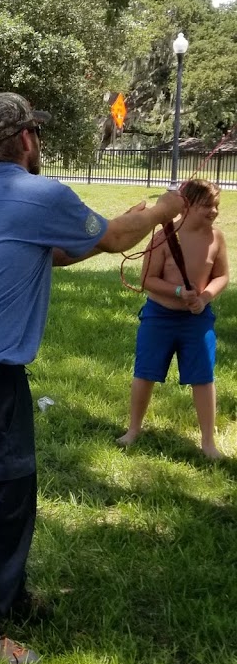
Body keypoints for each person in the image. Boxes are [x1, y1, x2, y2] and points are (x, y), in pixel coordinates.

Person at [0, 92, 186, 664]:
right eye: (38, 134)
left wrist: (117, 227)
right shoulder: (36, 193)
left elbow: (47, 254)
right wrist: (163, 208)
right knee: (1, 500)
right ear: (26, 139)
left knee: (2, 493)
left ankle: (9, 595)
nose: (40, 143)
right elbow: (118, 238)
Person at [118, 178, 229, 457]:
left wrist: (204, 297)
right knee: (146, 372)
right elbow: (147, 279)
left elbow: (222, 276)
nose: (214, 211)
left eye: (216, 205)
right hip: (159, 317)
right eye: (207, 206)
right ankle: (133, 428)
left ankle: (208, 442)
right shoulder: (165, 237)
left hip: (197, 320)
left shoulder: (216, 238)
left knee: (203, 376)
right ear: (186, 205)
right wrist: (178, 290)